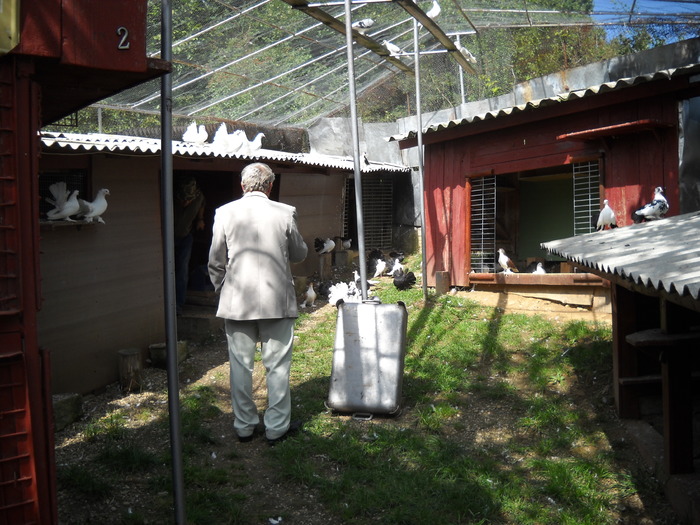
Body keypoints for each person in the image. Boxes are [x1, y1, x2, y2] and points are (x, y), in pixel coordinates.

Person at [208, 163, 308, 445]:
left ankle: (244, 425)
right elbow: (299, 253)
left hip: (237, 301)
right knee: (277, 366)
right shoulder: (285, 212)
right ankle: (276, 428)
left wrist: (222, 290)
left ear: (242, 185)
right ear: (270, 186)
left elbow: (215, 259)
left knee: (240, 366)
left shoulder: (224, 212)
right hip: (277, 301)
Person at [174, 176, 206, 315]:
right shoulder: (171, 197)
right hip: (168, 237)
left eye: (189, 199)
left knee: (182, 270)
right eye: (183, 199)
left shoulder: (198, 198)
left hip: (186, 237)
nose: (186, 202)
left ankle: (178, 304)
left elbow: (202, 204)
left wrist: (200, 219)